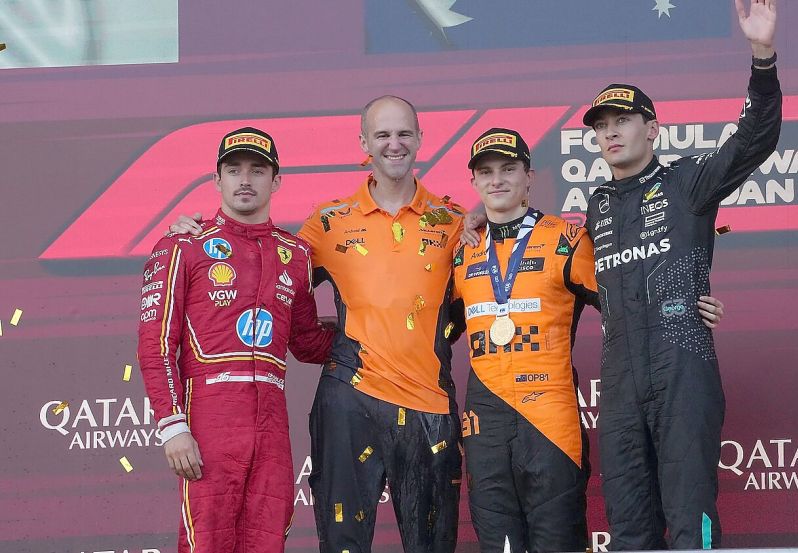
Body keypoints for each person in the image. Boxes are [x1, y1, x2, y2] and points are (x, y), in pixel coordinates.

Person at [452, 128, 726, 552]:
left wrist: (685, 301)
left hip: (549, 421)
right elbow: (431, 328)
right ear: (473, 182)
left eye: (509, 168)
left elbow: (627, 293)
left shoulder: (567, 240)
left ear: (530, 176)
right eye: (486, 172)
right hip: (486, 419)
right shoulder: (460, 249)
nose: (497, 180)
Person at [582, 0, 782, 549]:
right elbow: (547, 279)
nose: (611, 132)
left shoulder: (687, 183)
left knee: (691, 519)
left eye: (623, 120)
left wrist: (761, 55)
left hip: (683, 370)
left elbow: (754, 140)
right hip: (620, 384)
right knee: (628, 528)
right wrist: (480, 223)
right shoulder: (595, 209)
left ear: (652, 127)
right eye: (601, 126)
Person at [137, 127, 335, 553]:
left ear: (276, 181)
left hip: (272, 427)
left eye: (257, 170)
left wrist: (373, 332)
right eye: (234, 170)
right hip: (209, 421)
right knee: (205, 543)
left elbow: (306, 342)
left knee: (268, 541)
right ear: (217, 180)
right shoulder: (183, 244)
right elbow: (155, 345)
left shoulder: (296, 254)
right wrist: (172, 426)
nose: (245, 179)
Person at [298, 96, 466, 553]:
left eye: (404, 134)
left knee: (433, 544)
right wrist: (201, 229)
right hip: (350, 401)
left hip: (428, 404)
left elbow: (473, 309)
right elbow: (271, 283)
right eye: (383, 135)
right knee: (342, 543)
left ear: (420, 140)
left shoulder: (453, 221)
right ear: (364, 143)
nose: (394, 144)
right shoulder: (328, 222)